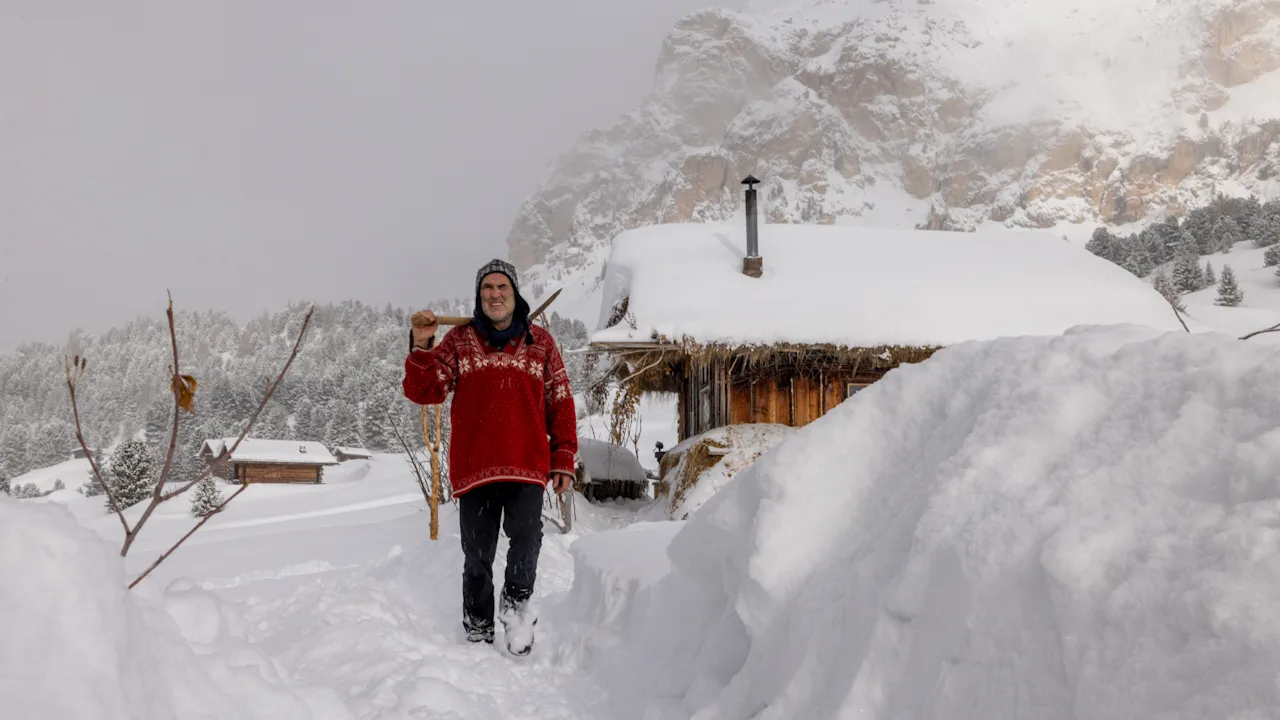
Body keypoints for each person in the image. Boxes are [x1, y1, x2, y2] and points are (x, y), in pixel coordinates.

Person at [402, 258, 577, 656]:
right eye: (487, 288)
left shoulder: (540, 342)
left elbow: (561, 400)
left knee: (527, 542)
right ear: (479, 296)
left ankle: (516, 613)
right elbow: (425, 391)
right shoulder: (459, 341)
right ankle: (478, 630)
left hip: (527, 465)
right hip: (476, 467)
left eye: (502, 287)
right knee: (477, 557)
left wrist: (563, 455)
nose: (494, 294)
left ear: (515, 294)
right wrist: (422, 345)